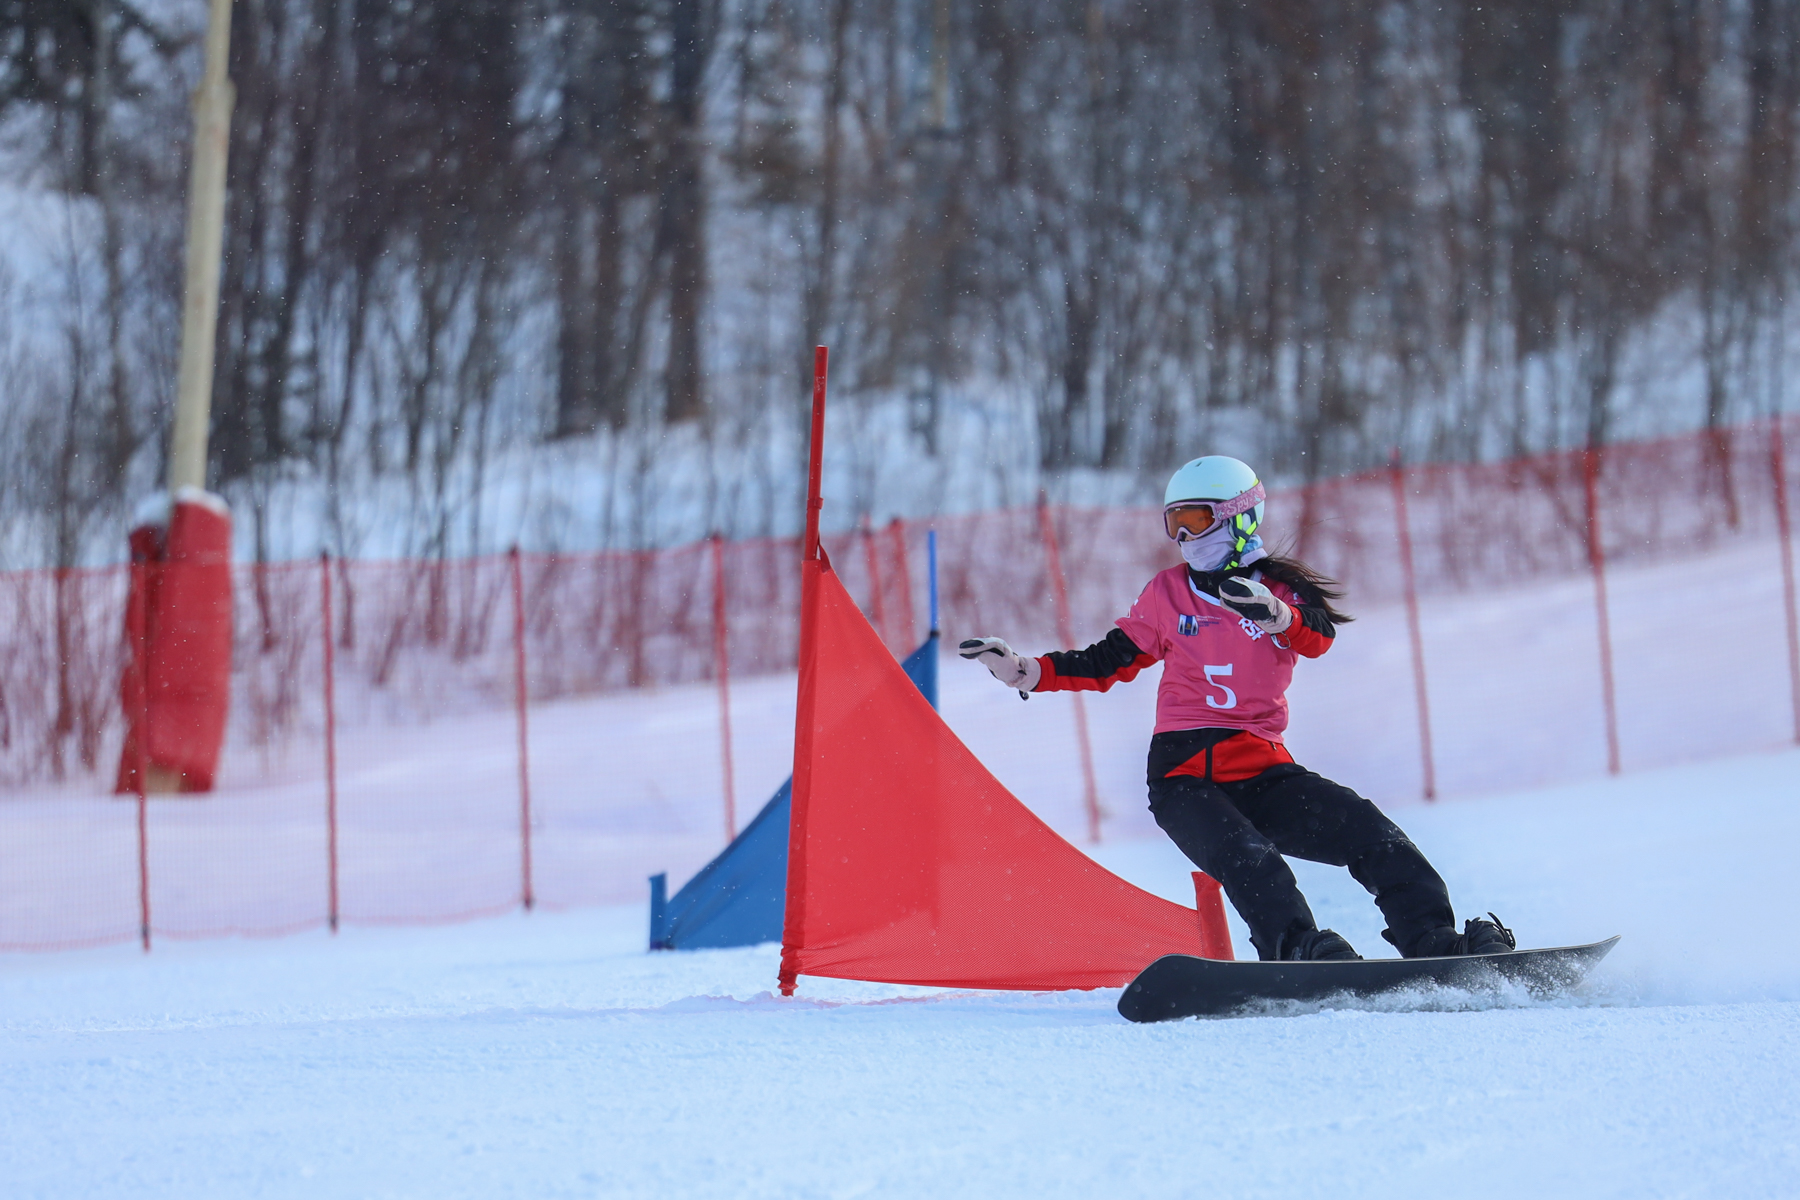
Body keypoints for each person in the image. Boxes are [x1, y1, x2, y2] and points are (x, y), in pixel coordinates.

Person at [958, 455, 1514, 962]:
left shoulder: (1280, 590)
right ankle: (1297, 950)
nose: (1181, 536)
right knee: (1252, 862)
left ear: (1239, 516)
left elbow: (1317, 638)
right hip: (1183, 777)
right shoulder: (1167, 593)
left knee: (1375, 836)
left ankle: (1434, 942)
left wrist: (1277, 616)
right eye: (1173, 523)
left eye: (1195, 521)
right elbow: (1109, 661)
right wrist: (1026, 671)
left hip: (1264, 770)